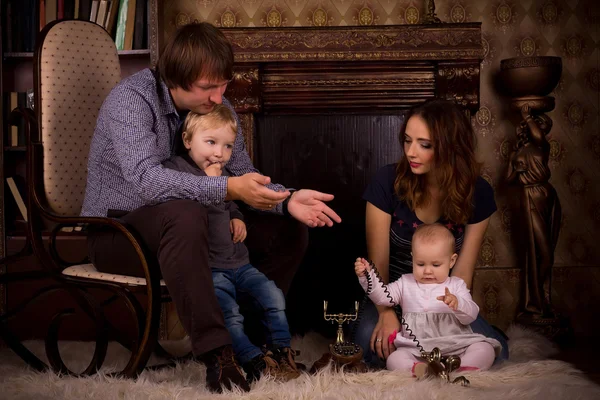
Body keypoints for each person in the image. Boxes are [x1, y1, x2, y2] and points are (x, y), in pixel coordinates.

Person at [81, 22, 341, 393]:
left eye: (223, 85)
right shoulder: (131, 100)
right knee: (184, 211)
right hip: (119, 234)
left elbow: (243, 174)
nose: (219, 97)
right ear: (174, 78)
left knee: (288, 226)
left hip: (194, 234)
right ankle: (218, 354)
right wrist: (227, 189)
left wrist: (287, 200)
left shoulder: (217, 105)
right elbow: (148, 181)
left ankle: (255, 346)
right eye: (207, 87)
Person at [351, 99, 508, 368]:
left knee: (498, 352)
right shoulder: (386, 181)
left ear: (450, 148)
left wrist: (451, 316)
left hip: (441, 299)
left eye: (424, 145)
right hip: (395, 293)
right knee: (373, 351)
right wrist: (386, 312)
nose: (411, 152)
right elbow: (379, 268)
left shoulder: (477, 192)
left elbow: (463, 273)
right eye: (407, 140)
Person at [162, 105, 301, 383]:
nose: (219, 153)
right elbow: (182, 215)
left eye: (227, 146)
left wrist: (236, 217)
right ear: (188, 140)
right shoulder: (177, 170)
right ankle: (252, 358)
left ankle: (280, 350)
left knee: (273, 296)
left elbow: (229, 206)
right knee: (230, 315)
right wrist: (214, 187)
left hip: (239, 261)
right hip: (212, 268)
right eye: (210, 142)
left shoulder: (224, 173)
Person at [354, 224, 501, 376]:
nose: (428, 271)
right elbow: (382, 297)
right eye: (420, 264)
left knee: (485, 348)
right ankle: (421, 369)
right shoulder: (405, 283)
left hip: (456, 345)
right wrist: (368, 277)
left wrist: (458, 304)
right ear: (413, 259)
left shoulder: (456, 285)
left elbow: (471, 314)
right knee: (394, 359)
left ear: (451, 261)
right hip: (418, 350)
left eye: (436, 265)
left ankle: (459, 368)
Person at [507, 104, 561, 318]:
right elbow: (507, 181)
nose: (541, 130)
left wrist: (527, 117)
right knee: (541, 251)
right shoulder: (516, 153)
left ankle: (544, 301)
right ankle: (535, 302)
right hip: (528, 195)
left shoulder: (541, 147)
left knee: (548, 249)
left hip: (547, 195)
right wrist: (517, 173)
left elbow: (538, 136)